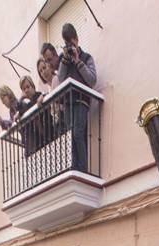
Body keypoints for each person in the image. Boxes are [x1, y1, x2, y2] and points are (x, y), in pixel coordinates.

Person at [57, 22, 97, 172]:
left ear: (77, 39)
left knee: (78, 132)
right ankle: (73, 166)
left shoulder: (87, 57)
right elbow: (61, 78)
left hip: (81, 100)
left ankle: (82, 169)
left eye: (71, 42)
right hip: (68, 102)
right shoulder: (64, 59)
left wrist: (78, 61)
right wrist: (65, 61)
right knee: (70, 135)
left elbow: (92, 79)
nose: (70, 45)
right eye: (67, 43)